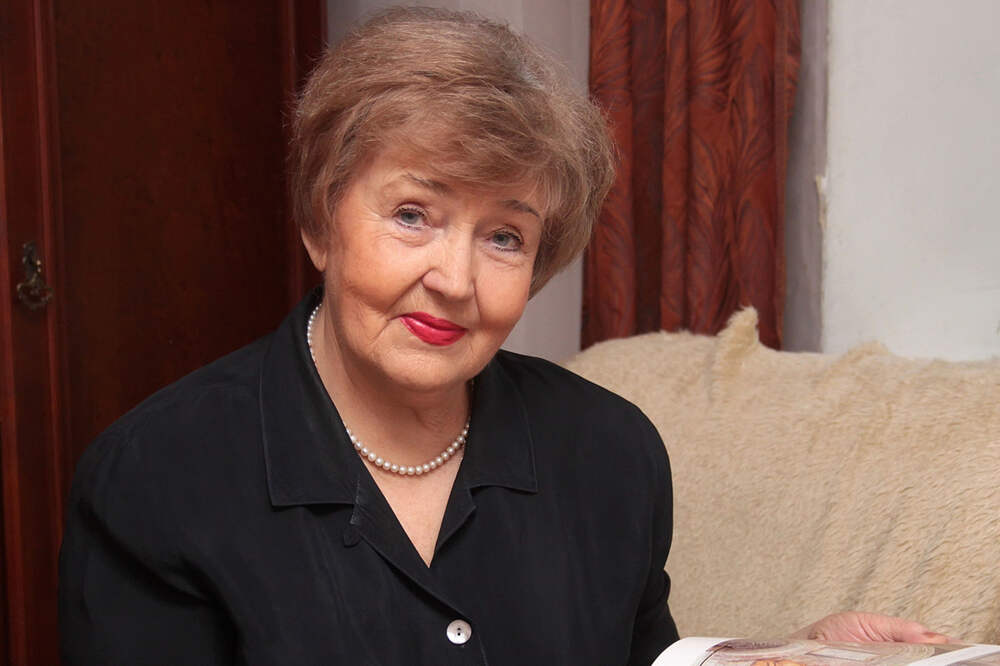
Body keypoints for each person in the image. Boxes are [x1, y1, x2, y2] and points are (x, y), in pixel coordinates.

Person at [58, 7, 947, 665]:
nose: (455, 279)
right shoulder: (157, 479)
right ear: (321, 222)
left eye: (505, 237)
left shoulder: (611, 453)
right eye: (414, 214)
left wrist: (791, 657)